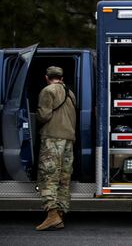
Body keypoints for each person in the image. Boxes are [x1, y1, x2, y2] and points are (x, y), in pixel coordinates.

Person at [36, 66, 76, 231]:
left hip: (52, 138)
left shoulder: (47, 90)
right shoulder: (70, 93)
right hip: (68, 139)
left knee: (49, 176)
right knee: (64, 177)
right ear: (62, 77)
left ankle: (52, 215)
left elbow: (44, 115)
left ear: (46, 77)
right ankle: (60, 214)